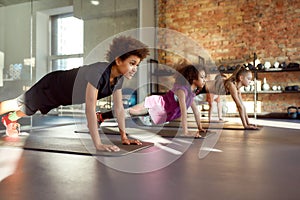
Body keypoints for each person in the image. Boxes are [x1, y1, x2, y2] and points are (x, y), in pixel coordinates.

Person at [0, 36, 150, 152]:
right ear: (118, 60)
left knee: (30, 110)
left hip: (61, 98)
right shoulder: (98, 72)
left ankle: (9, 119)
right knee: (17, 103)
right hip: (53, 85)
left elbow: (118, 109)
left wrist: (124, 137)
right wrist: (97, 144)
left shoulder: (118, 80)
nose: (135, 68)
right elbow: (90, 109)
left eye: (137, 64)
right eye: (132, 63)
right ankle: (8, 115)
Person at [97, 63, 207, 138]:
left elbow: (196, 111)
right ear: (193, 78)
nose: (205, 80)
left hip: (159, 113)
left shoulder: (191, 94)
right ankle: (101, 116)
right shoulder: (182, 91)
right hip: (155, 104)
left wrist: (200, 127)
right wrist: (186, 132)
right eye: (202, 77)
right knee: (129, 112)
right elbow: (183, 112)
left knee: (131, 114)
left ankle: (101, 117)